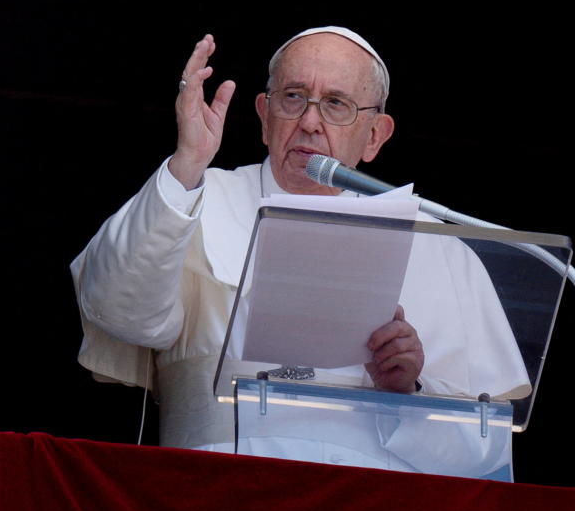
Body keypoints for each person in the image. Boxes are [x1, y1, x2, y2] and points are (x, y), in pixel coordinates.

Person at [71, 27, 529, 477]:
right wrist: (188, 160)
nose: (310, 121)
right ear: (264, 116)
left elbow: (484, 457)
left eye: (336, 104)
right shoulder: (193, 197)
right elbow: (120, 311)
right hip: (212, 509)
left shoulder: (439, 247)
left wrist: (406, 391)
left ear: (375, 136)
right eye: (293, 97)